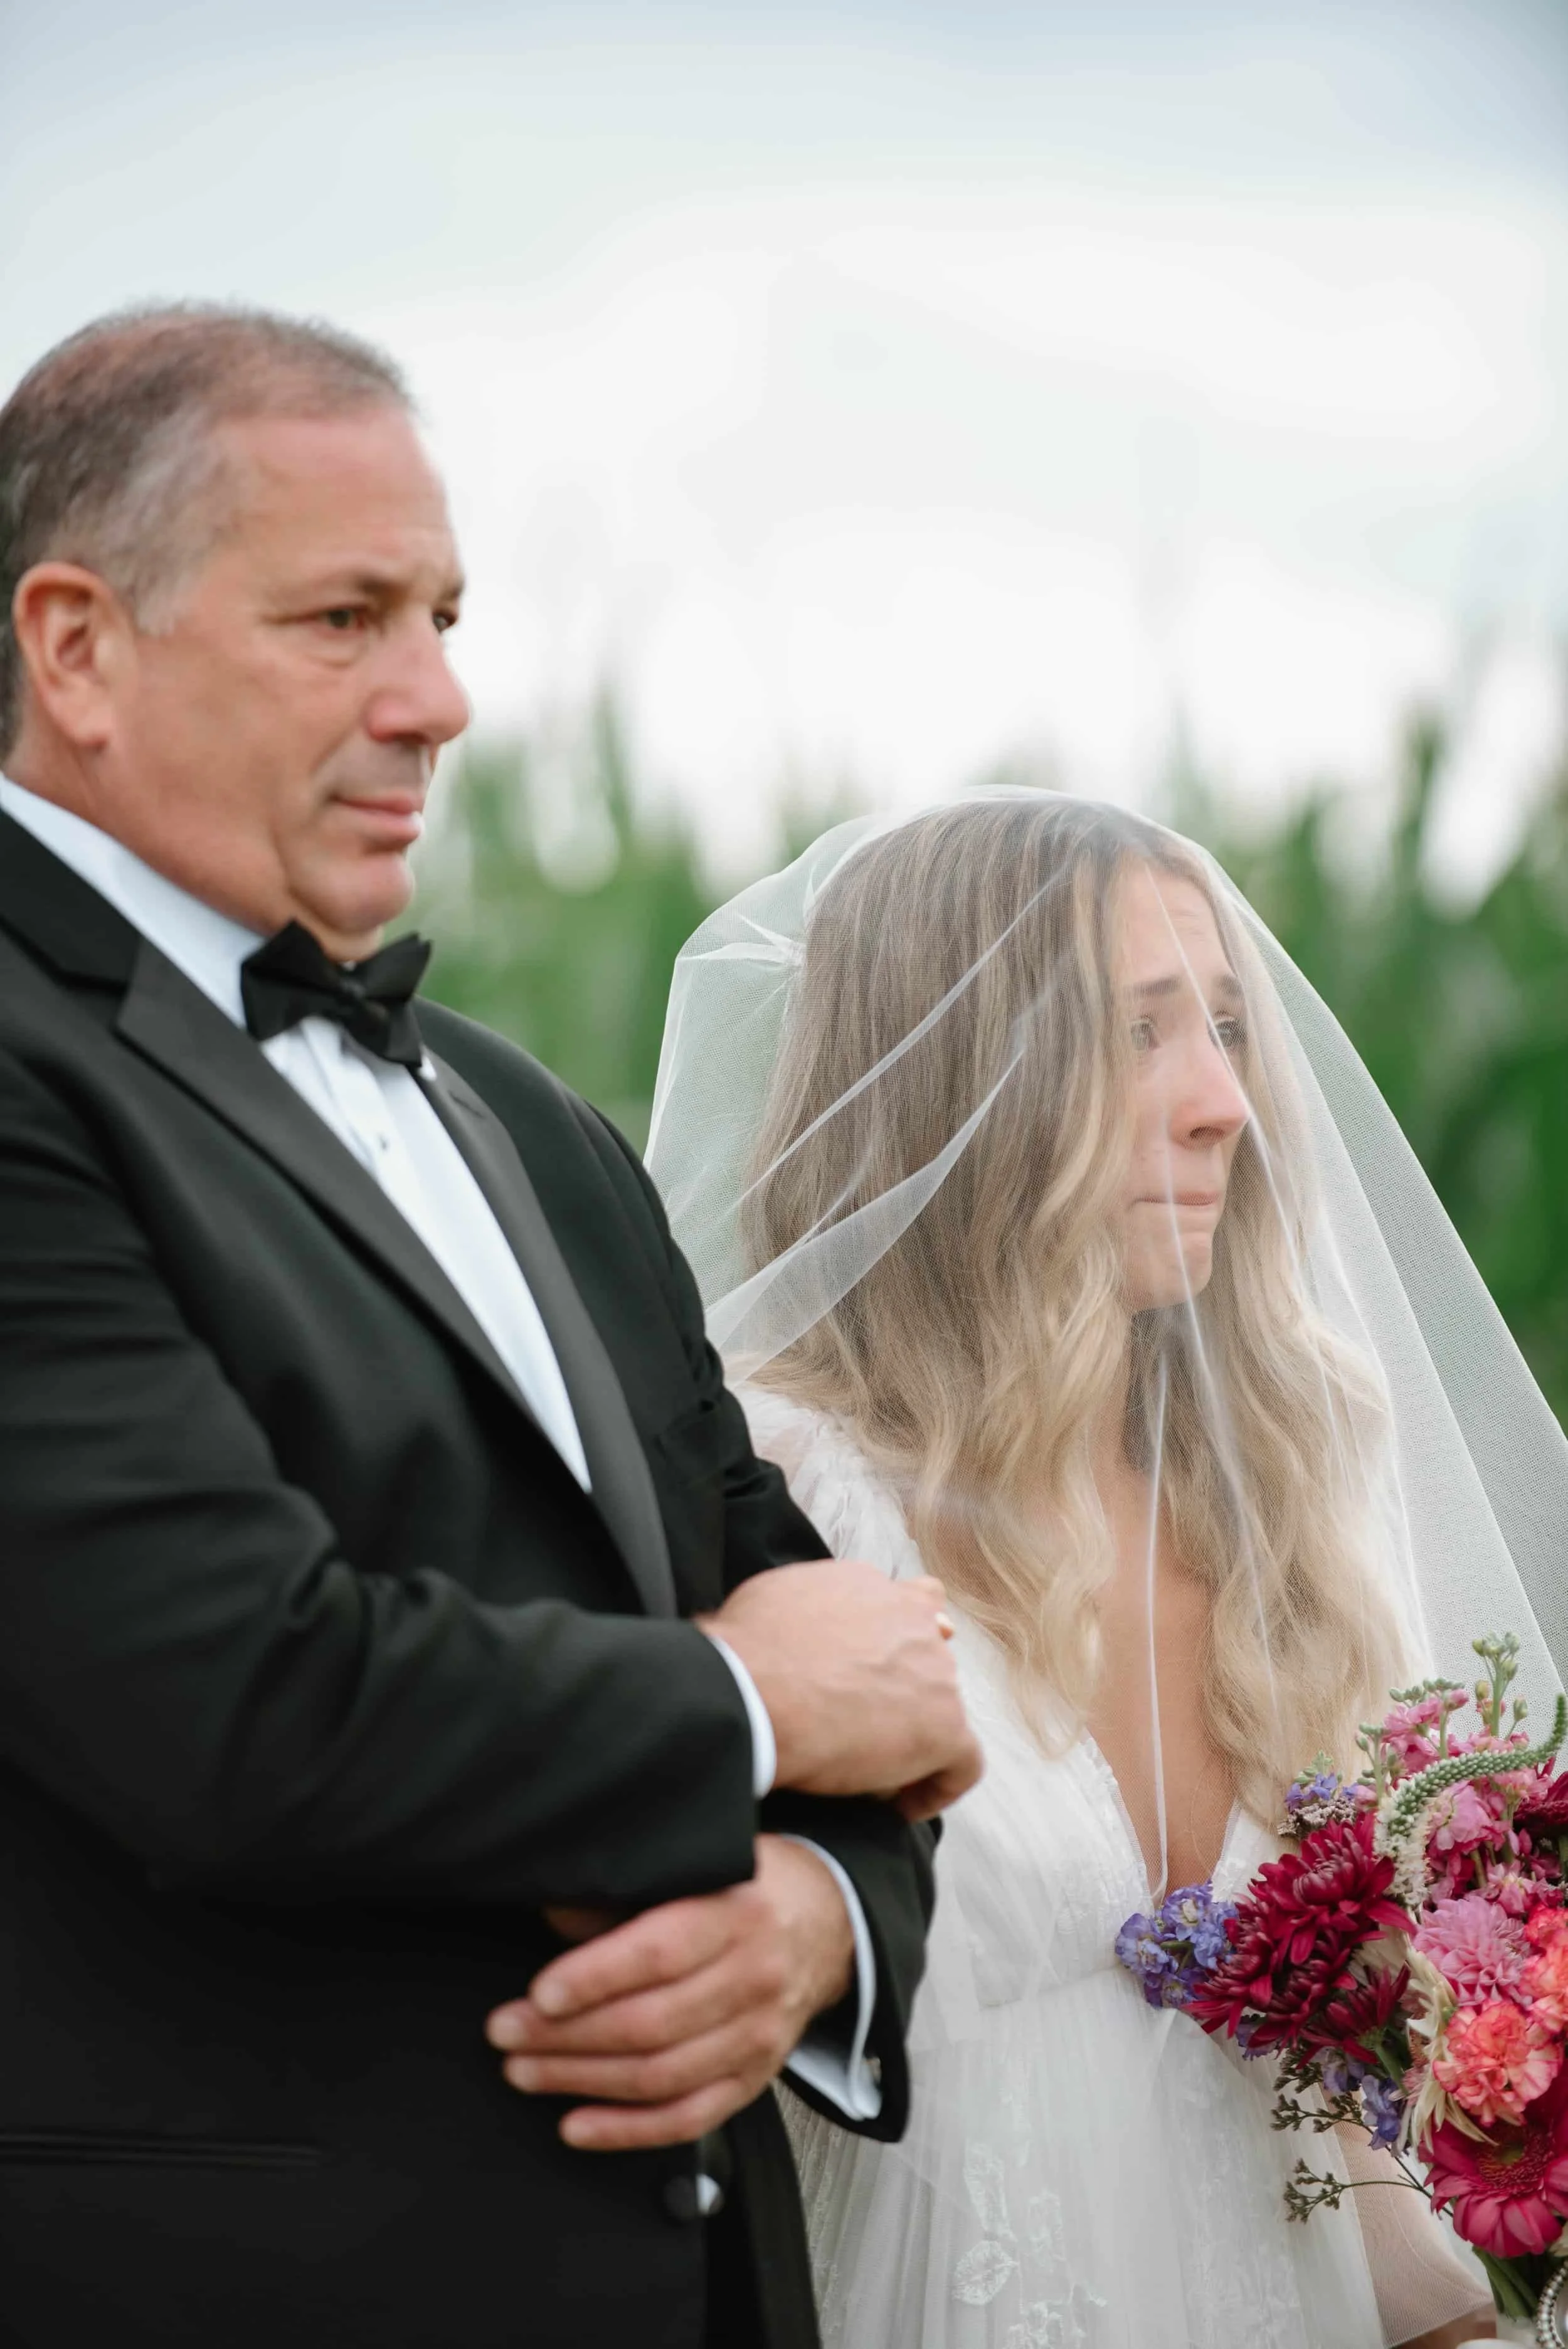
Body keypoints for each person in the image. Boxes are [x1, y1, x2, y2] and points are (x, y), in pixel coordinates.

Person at [0, 304, 983, 2349]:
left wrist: (812, 1924)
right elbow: (233, 1706)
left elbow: (864, 1676)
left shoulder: (530, 1121)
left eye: (444, 615)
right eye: (345, 618)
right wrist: (745, 1713)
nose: (437, 699)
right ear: (75, 645)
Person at [647, 793, 1568, 2348]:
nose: (1222, 1100)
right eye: (1140, 1035)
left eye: (1222, 1026)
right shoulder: (778, 1483)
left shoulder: (1279, 1486)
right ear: (955, 1083)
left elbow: (1337, 2128)